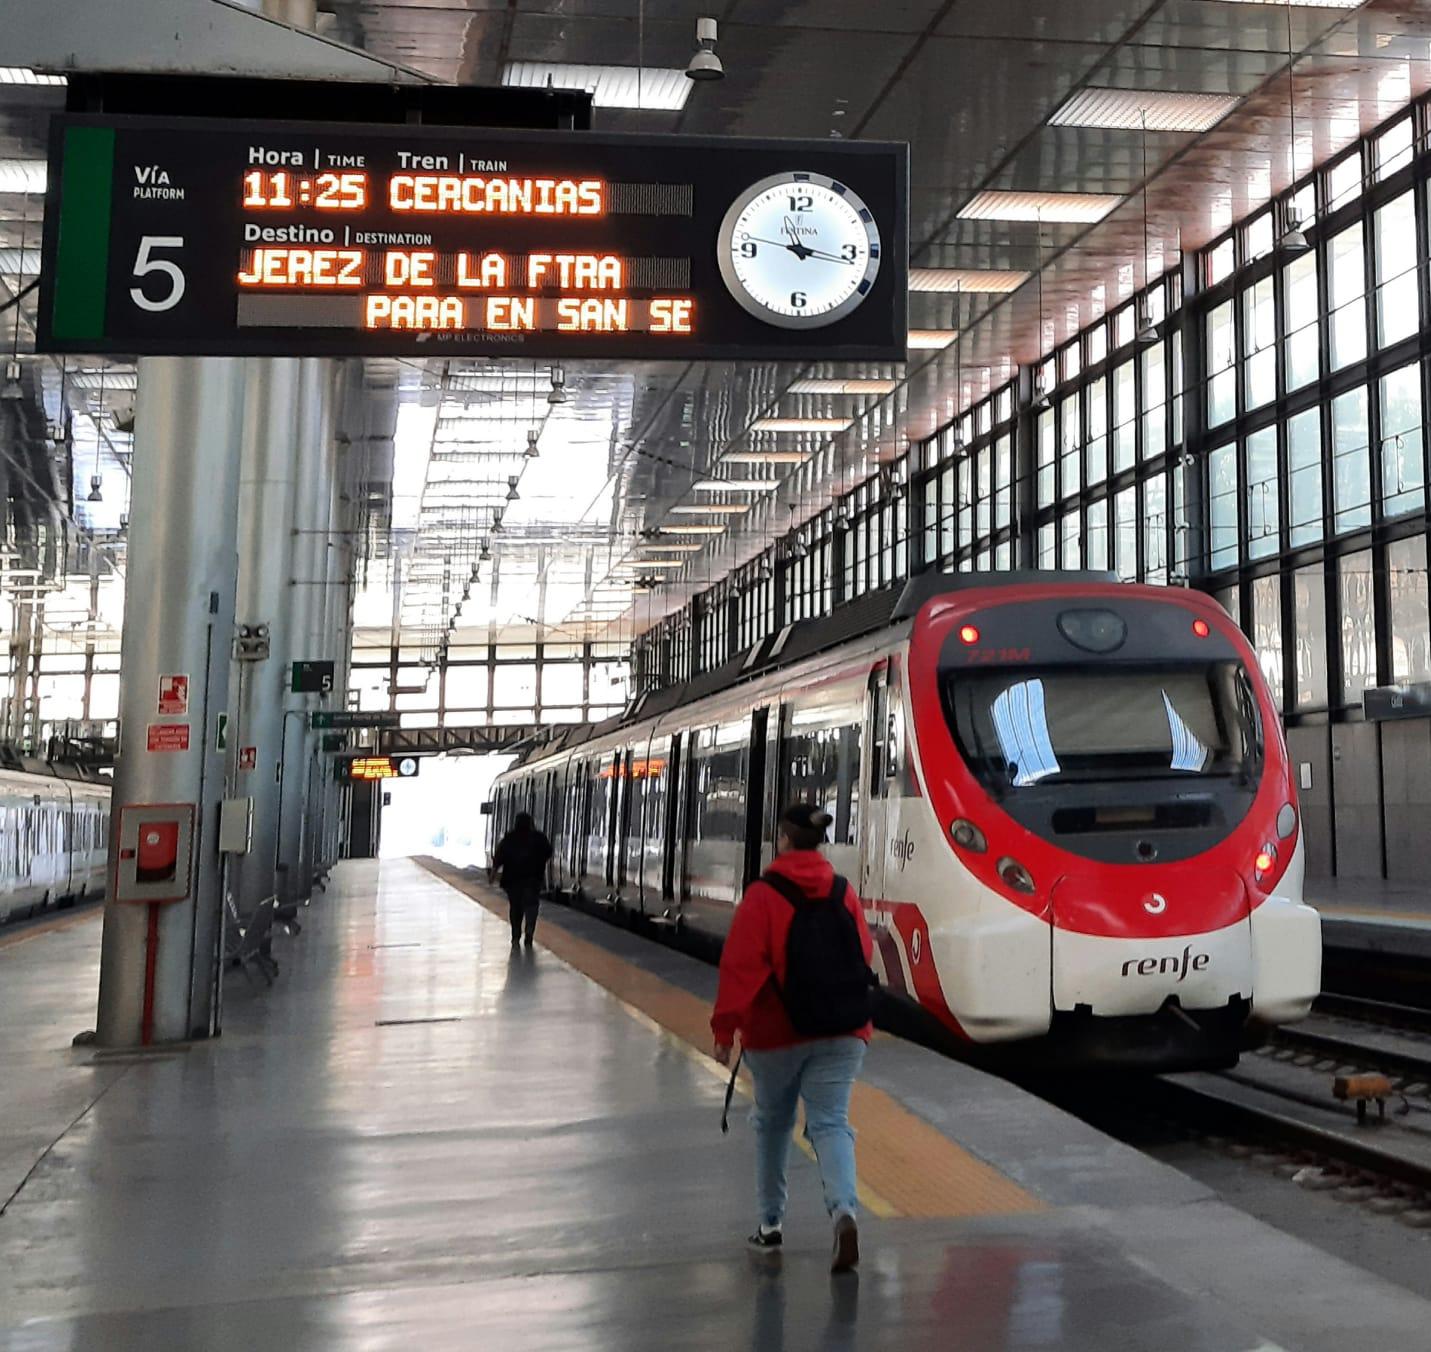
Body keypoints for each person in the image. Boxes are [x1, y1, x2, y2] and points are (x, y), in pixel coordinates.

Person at [711, 803, 876, 1274]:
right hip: (843, 1030)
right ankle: (844, 1212)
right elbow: (861, 955)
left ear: (782, 840)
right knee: (830, 1123)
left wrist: (724, 1032)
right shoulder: (844, 893)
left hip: (777, 1034)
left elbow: (740, 970)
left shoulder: (763, 896)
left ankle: (769, 1225)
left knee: (773, 1122)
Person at [490, 812, 553, 947]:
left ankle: (515, 935)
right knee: (531, 906)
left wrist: (492, 876)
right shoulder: (539, 838)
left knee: (515, 908)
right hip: (533, 880)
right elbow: (549, 852)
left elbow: (498, 859)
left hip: (512, 881)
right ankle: (529, 931)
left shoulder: (509, 838)